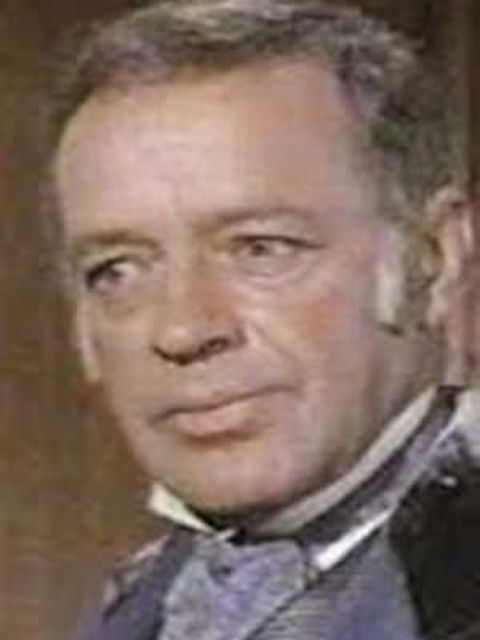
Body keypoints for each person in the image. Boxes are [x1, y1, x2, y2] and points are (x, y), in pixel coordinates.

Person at [47, 1, 480, 638]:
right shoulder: (135, 608)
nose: (183, 331)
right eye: (119, 270)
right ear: (83, 332)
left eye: (260, 249)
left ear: (435, 261)